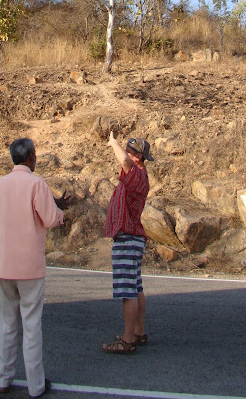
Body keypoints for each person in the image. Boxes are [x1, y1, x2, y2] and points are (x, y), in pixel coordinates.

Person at [0, 137, 69, 397]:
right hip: (29, 267)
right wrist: (60, 211)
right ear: (30, 156)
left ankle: (2, 379)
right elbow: (51, 218)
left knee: (5, 323)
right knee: (31, 325)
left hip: (2, 264)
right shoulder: (36, 184)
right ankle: (35, 385)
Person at [102, 131, 152, 354]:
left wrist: (112, 142)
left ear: (138, 157)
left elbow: (122, 160)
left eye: (130, 151)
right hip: (133, 237)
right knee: (135, 287)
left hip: (128, 237)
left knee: (127, 291)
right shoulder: (139, 175)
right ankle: (138, 331)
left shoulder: (137, 174)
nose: (126, 154)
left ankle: (128, 338)